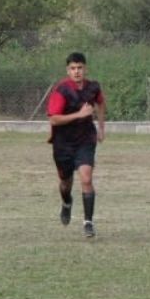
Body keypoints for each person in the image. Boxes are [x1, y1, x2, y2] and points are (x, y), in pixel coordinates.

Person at [46, 52, 106, 238]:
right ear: (68, 70)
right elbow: (54, 120)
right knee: (65, 183)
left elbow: (101, 104)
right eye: (73, 68)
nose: (77, 71)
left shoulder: (93, 87)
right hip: (63, 143)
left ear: (85, 68)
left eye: (80, 68)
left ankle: (88, 222)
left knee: (86, 178)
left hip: (85, 140)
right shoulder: (61, 90)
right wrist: (79, 115)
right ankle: (66, 203)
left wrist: (101, 127)